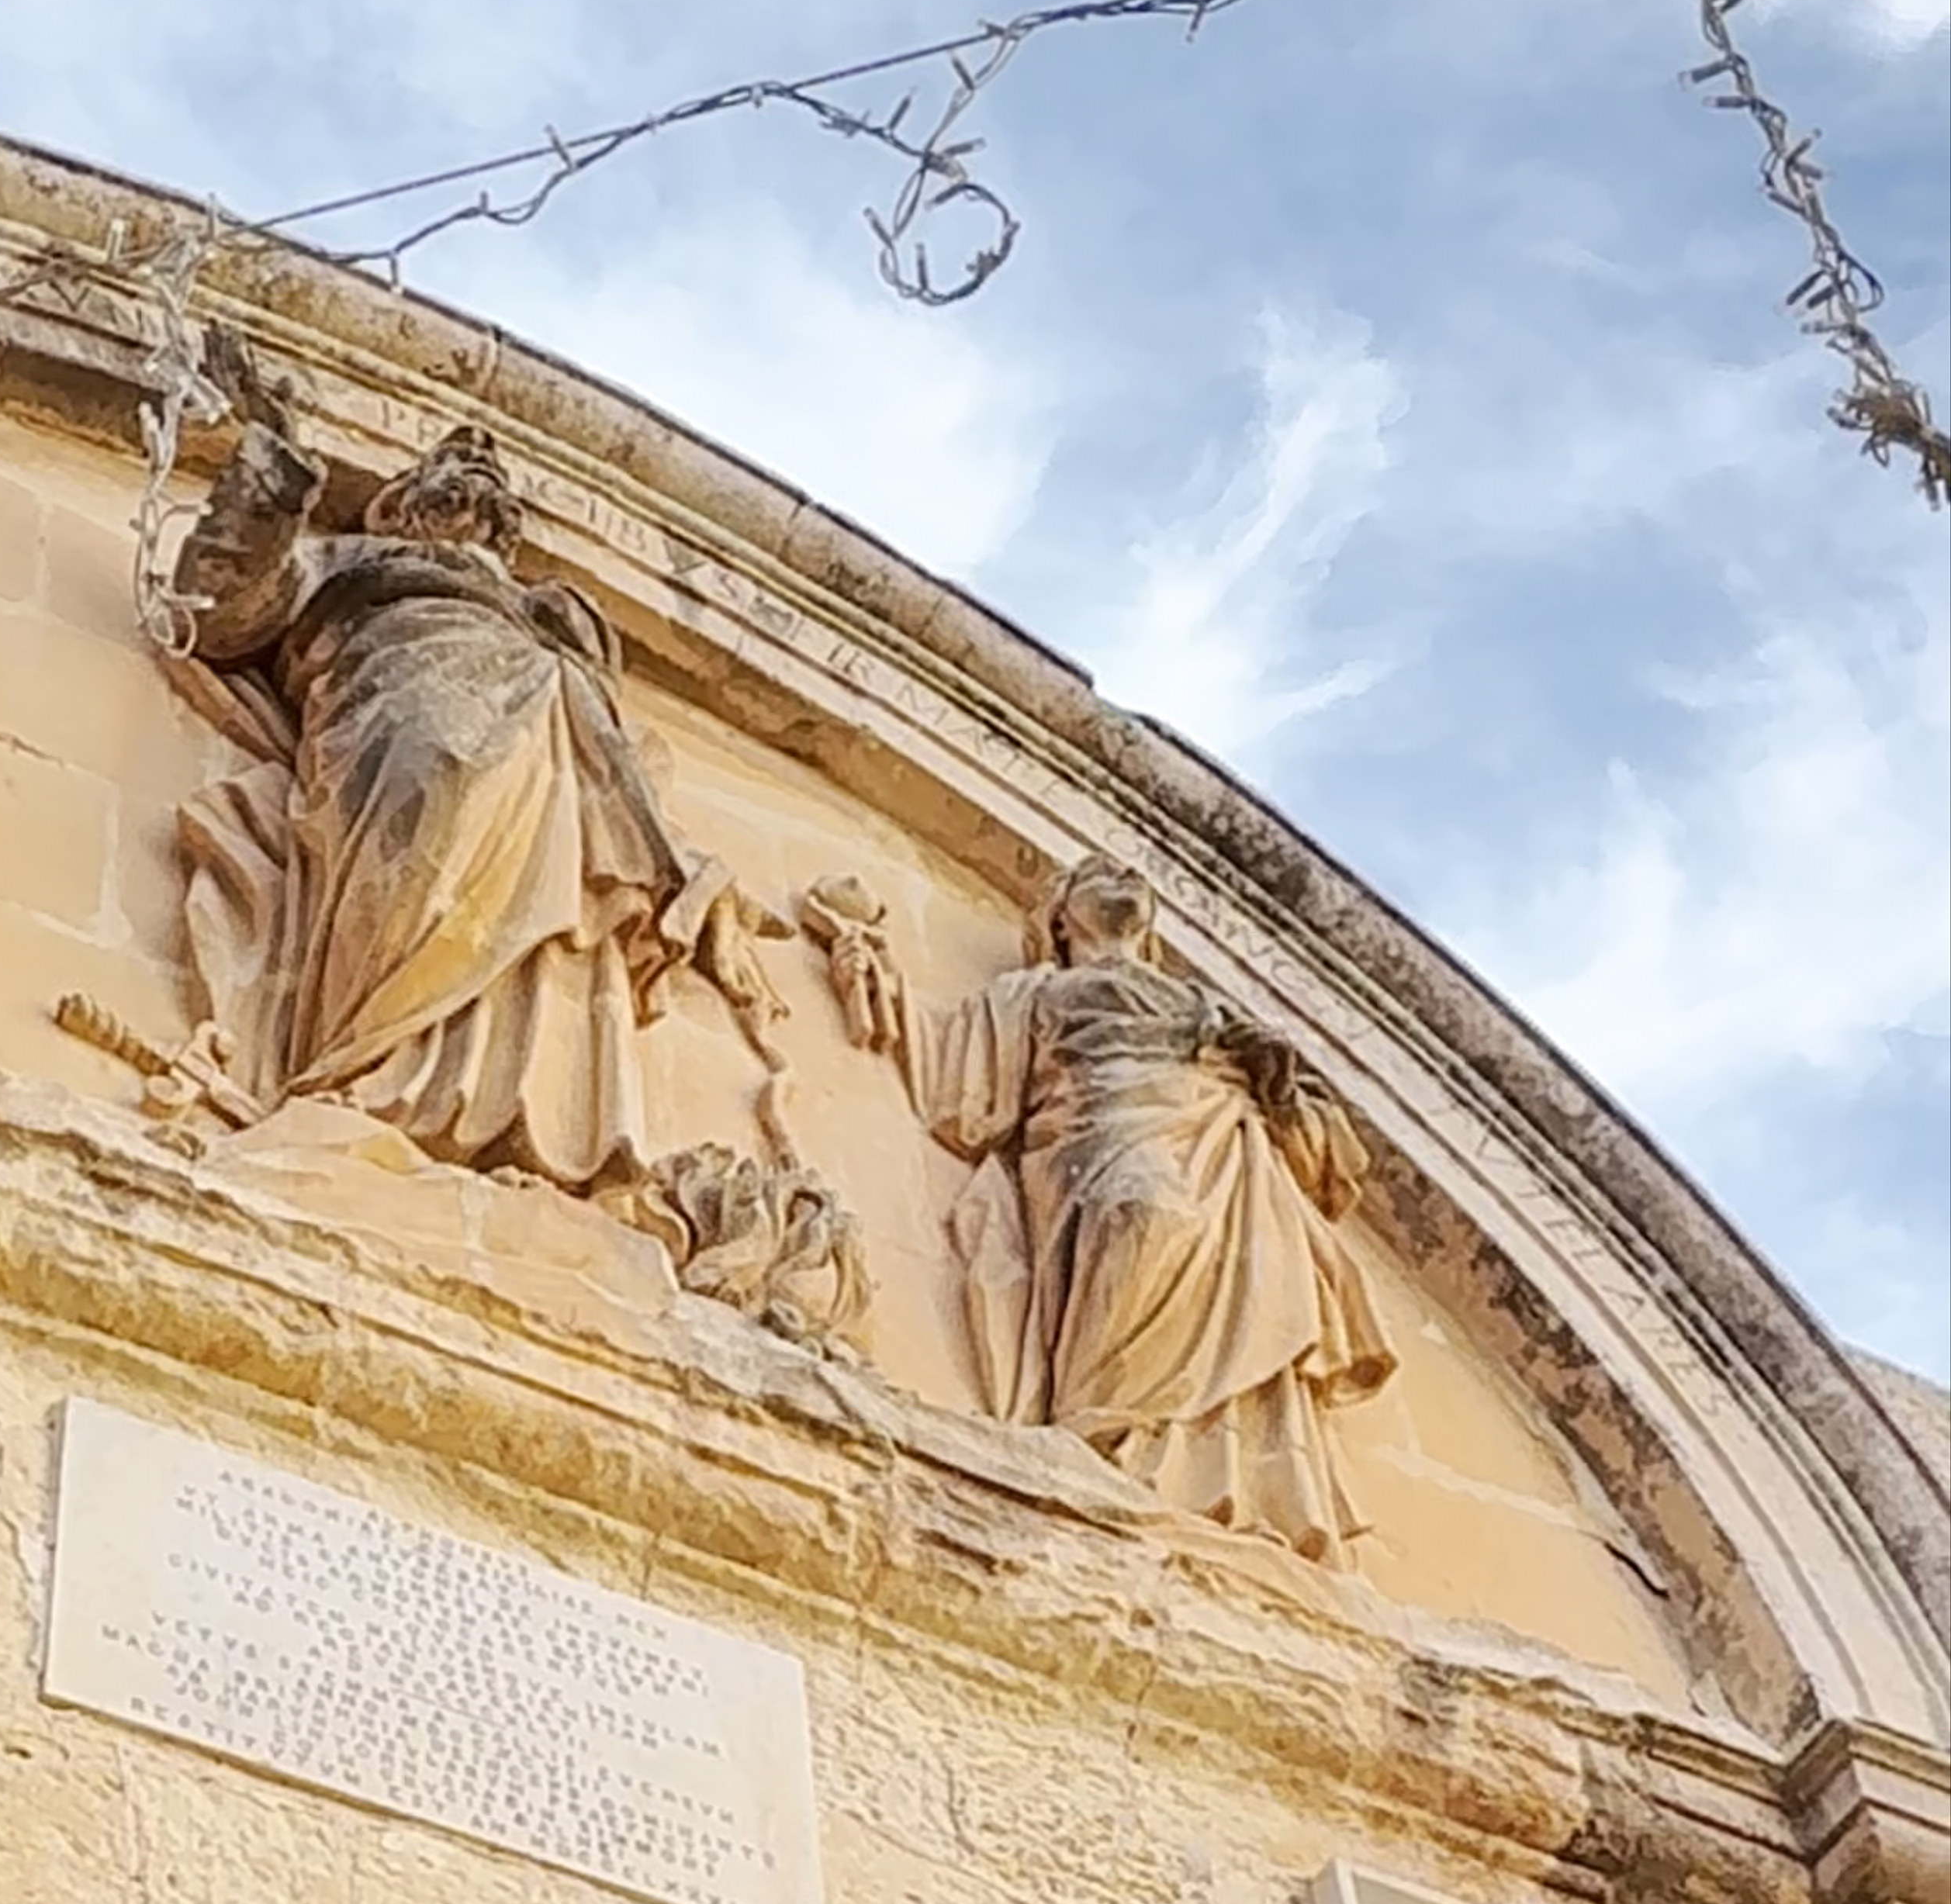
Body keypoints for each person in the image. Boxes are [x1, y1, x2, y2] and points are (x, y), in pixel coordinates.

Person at [165, 412, 771, 1194]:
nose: (481, 461)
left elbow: (618, 758)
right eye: (452, 466)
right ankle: (365, 1066)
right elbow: (219, 614)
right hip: (394, 708)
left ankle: (504, 1117)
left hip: (542, 739)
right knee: (427, 820)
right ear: (393, 505)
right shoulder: (353, 558)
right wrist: (272, 480)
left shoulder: (546, 613)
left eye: (491, 473)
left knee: (540, 923)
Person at [811, 854, 1394, 1554]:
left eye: (1134, 878)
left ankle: (1189, 1479)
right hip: (1101, 1129)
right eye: (1097, 875)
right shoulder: (1034, 993)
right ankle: (1101, 1431)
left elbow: (1321, 1155)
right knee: (1139, 1213)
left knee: (1247, 1277)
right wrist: (868, 962)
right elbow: (956, 1090)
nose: (1123, 878)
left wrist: (1277, 1085)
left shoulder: (1205, 1006)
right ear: (1059, 915)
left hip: (1221, 1144)